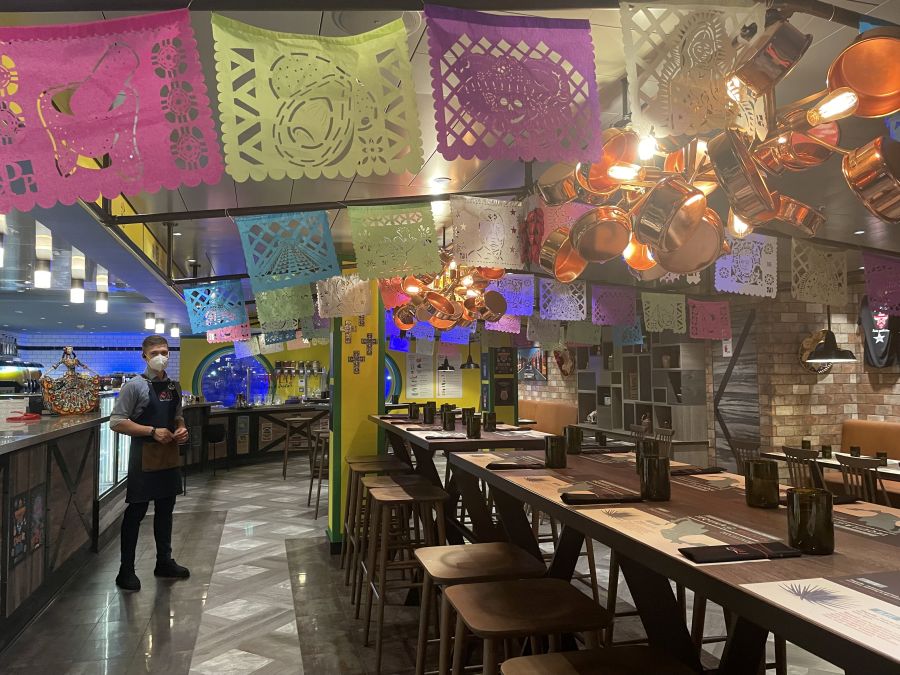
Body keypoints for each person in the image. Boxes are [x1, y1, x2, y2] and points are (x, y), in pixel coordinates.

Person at [110, 335, 190, 591]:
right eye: (155, 352)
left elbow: (177, 416)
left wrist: (181, 428)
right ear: (144, 355)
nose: (160, 357)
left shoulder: (174, 386)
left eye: (164, 352)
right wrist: (152, 431)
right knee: (136, 513)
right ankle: (126, 570)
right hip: (143, 457)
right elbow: (117, 421)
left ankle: (164, 561)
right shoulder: (134, 386)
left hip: (168, 456)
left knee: (166, 511)